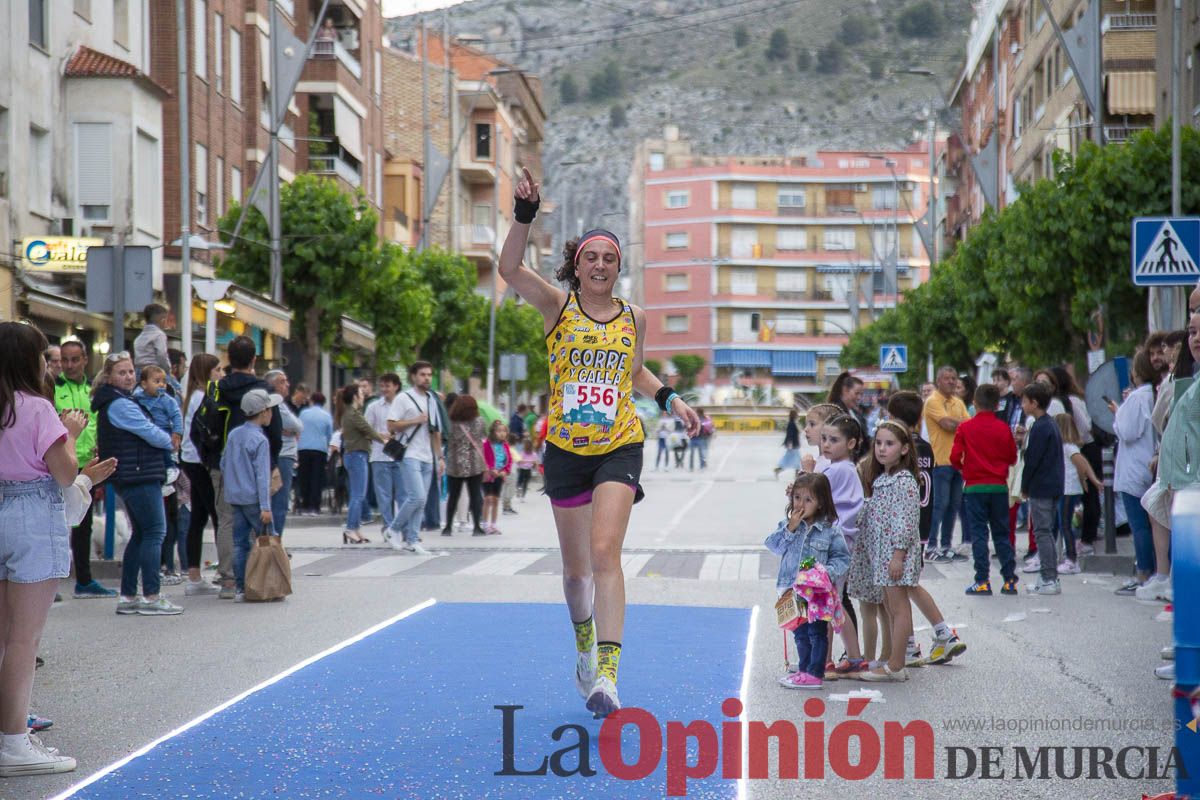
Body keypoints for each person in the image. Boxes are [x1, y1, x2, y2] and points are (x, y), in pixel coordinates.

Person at [496, 167, 700, 717]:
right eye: (593, 258)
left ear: (618, 268)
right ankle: (584, 646)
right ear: (578, 266)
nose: (602, 265)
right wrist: (524, 215)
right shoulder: (557, 308)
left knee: (606, 552)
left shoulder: (633, 317)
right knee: (574, 573)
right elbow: (509, 267)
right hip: (565, 450)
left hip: (619, 445)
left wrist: (673, 401)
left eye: (611, 258)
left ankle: (608, 675)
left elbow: (636, 374)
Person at [0, 323, 91, 777]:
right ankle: (14, 742)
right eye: (43, 357)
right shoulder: (38, 409)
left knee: (1, 635)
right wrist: (71, 433)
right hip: (33, 514)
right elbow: (63, 471)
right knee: (23, 638)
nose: (48, 364)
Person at [91, 352, 181, 615]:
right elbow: (149, 432)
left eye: (131, 372)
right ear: (109, 376)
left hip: (132, 474)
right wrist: (170, 441)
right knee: (155, 531)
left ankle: (128, 596)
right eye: (122, 372)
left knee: (141, 535)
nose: (129, 377)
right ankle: (151, 596)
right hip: (138, 474)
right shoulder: (120, 404)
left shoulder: (117, 400)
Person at [885, 392, 967, 666]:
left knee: (902, 586)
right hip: (922, 524)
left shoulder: (900, 449)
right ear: (919, 417)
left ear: (891, 417)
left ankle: (937, 635)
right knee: (906, 585)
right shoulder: (925, 447)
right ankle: (918, 642)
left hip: (903, 527)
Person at [202, 336, 282, 599]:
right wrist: (266, 502)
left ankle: (230, 582)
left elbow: (200, 430)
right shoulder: (263, 391)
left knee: (228, 527)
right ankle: (263, 582)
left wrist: (215, 465)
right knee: (262, 536)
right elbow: (277, 436)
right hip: (253, 484)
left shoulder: (216, 389)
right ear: (254, 359)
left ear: (228, 360)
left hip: (227, 478)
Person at [766, 472, 851, 690]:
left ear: (821, 503)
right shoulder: (788, 524)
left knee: (817, 633)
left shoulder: (830, 531)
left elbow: (842, 559)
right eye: (797, 498)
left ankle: (815, 673)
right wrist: (790, 528)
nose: (801, 504)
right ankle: (803, 670)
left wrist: (825, 572)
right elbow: (773, 546)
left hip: (817, 592)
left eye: (808, 500)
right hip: (791, 590)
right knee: (800, 634)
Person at [856, 422, 924, 683]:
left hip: (895, 554)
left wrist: (898, 555)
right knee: (889, 604)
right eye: (879, 443)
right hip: (882, 554)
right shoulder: (884, 479)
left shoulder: (904, 481)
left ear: (905, 449)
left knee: (898, 607)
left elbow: (906, 521)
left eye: (890, 444)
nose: (882, 449)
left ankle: (896, 664)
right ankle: (892, 658)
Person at [54, 340, 114, 599]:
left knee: (83, 524)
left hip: (87, 465)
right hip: (59, 462)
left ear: (85, 360)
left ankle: (85, 581)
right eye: (64, 360)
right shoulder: (53, 389)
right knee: (55, 523)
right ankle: (50, 582)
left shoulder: (93, 390)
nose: (69, 365)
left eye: (74, 359)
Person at [951, 384, 1019, 595]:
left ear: (974, 403)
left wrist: (966, 470)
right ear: (997, 405)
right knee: (1002, 534)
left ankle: (982, 581)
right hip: (998, 487)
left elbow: (954, 457)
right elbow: (1012, 457)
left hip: (974, 488)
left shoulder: (965, 428)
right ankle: (1009, 581)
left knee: (979, 534)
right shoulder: (1004, 428)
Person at [817, 415, 868, 677]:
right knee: (834, 601)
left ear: (851, 443)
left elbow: (814, 498)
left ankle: (824, 660)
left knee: (826, 602)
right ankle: (855, 656)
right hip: (842, 543)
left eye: (834, 440)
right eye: (824, 438)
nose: (826, 444)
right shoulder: (844, 468)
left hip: (833, 544)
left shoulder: (835, 470)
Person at [220, 389, 279, 601]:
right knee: (267, 540)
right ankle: (270, 585)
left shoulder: (235, 434)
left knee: (239, 543)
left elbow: (223, 462)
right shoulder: (260, 440)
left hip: (235, 497)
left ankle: (240, 588)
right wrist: (266, 507)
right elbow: (262, 476)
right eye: (270, 409)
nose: (272, 413)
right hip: (255, 499)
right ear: (262, 412)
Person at [1109, 351, 1160, 594]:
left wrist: (1118, 412)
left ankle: (1144, 572)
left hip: (1133, 470)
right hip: (1148, 463)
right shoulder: (1153, 394)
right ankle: (1154, 570)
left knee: (1138, 525)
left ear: (1135, 371)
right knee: (1152, 524)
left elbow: (1127, 431)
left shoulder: (1137, 397)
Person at [386, 362, 442, 556]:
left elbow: (435, 431)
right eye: (422, 375)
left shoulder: (432, 400)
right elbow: (391, 426)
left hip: (427, 456)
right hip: (409, 454)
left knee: (422, 500)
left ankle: (413, 539)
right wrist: (414, 420)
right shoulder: (403, 398)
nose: (427, 378)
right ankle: (393, 529)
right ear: (413, 377)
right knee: (416, 496)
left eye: (429, 374)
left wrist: (439, 457)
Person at [180, 354, 223, 596]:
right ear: (207, 372)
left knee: (198, 516)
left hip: (190, 458)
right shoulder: (201, 397)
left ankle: (194, 574)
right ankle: (220, 569)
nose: (220, 374)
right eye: (217, 370)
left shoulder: (195, 396)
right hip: (198, 460)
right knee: (216, 513)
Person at [1019, 382, 1064, 596]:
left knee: (1042, 532)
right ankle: (1048, 576)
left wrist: (1024, 486)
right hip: (1053, 485)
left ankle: (1049, 578)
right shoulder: (1051, 424)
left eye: (1025, 400)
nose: (1022, 404)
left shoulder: (1040, 426)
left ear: (1034, 403)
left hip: (1041, 487)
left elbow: (1032, 461)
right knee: (1046, 532)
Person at [923, 366, 970, 564]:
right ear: (939, 381)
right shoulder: (933, 401)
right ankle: (931, 546)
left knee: (953, 506)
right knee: (940, 505)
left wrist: (957, 423)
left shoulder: (957, 402)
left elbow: (969, 427)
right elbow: (947, 424)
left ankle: (946, 546)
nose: (951, 381)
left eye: (954, 378)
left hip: (958, 462)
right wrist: (960, 423)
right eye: (947, 378)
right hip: (940, 460)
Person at [1050, 413, 1102, 576]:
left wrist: (1089, 479)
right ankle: (1063, 557)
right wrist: (1087, 480)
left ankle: (1072, 560)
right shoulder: (1069, 447)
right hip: (1067, 488)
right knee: (1061, 523)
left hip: (1068, 489)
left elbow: (1081, 463)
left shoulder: (1068, 448)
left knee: (1065, 524)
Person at [336, 383, 389, 544]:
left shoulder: (349, 414)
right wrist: (385, 440)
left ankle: (356, 529)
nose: (363, 395)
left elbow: (366, 432)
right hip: (357, 456)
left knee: (358, 494)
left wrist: (382, 436)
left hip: (354, 456)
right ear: (354, 396)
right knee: (358, 495)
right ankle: (351, 528)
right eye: (361, 393)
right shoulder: (353, 415)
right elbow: (369, 431)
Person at [366, 373, 404, 538]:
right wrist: (382, 436)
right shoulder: (374, 407)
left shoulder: (404, 405)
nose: (384, 389)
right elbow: (366, 430)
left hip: (400, 455)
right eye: (382, 386)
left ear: (396, 386)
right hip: (380, 456)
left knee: (404, 495)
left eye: (387, 386)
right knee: (384, 495)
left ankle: (403, 528)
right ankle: (388, 528)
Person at [265, 370, 302, 537]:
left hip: (280, 455)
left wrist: (292, 429)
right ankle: (275, 541)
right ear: (272, 384)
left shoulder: (281, 404)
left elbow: (296, 426)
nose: (287, 384)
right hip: (282, 456)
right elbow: (296, 425)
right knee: (279, 502)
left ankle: (272, 539)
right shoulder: (276, 403)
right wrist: (289, 429)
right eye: (282, 381)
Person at [444, 395, 487, 537]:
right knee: (475, 495)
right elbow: (482, 437)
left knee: (453, 496)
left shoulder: (450, 422)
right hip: (474, 463)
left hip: (454, 463)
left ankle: (448, 527)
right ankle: (477, 527)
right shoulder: (479, 421)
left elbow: (448, 440)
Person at [133, 366, 183, 475]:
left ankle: (170, 468)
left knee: (164, 449)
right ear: (144, 384)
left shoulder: (167, 399)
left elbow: (176, 415)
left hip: (163, 429)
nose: (162, 384)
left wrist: (177, 432)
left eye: (164, 382)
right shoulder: (137, 398)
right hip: (146, 431)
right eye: (157, 381)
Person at [297, 392, 333, 516]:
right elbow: (329, 434)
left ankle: (304, 504)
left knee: (304, 477)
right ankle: (315, 506)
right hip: (319, 449)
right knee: (316, 478)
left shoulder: (303, 413)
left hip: (303, 448)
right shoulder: (326, 415)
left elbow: (298, 428)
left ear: (311, 401)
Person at [827, 372, 868, 459]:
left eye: (861, 394)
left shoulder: (855, 413)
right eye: (856, 393)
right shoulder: (836, 413)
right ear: (845, 390)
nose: (859, 398)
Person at [481, 420, 513, 535]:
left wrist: (506, 471)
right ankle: (485, 524)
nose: (502, 433)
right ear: (493, 432)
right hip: (488, 476)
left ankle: (493, 525)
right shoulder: (487, 444)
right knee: (487, 499)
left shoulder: (505, 446)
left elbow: (509, 460)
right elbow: (483, 458)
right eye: (499, 431)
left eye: (504, 431)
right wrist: (489, 469)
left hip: (500, 475)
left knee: (495, 500)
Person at [132, 303, 172, 374]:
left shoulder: (139, 337)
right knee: (176, 385)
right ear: (161, 320)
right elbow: (162, 355)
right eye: (165, 319)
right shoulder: (159, 335)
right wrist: (167, 368)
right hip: (154, 371)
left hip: (139, 372)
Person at [774, 409, 801, 477]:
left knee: (789, 458)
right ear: (794, 415)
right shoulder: (791, 423)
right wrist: (789, 443)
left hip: (793, 444)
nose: (798, 416)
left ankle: (779, 469)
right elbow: (790, 434)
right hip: (793, 445)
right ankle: (796, 473)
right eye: (796, 415)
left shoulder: (792, 423)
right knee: (795, 458)